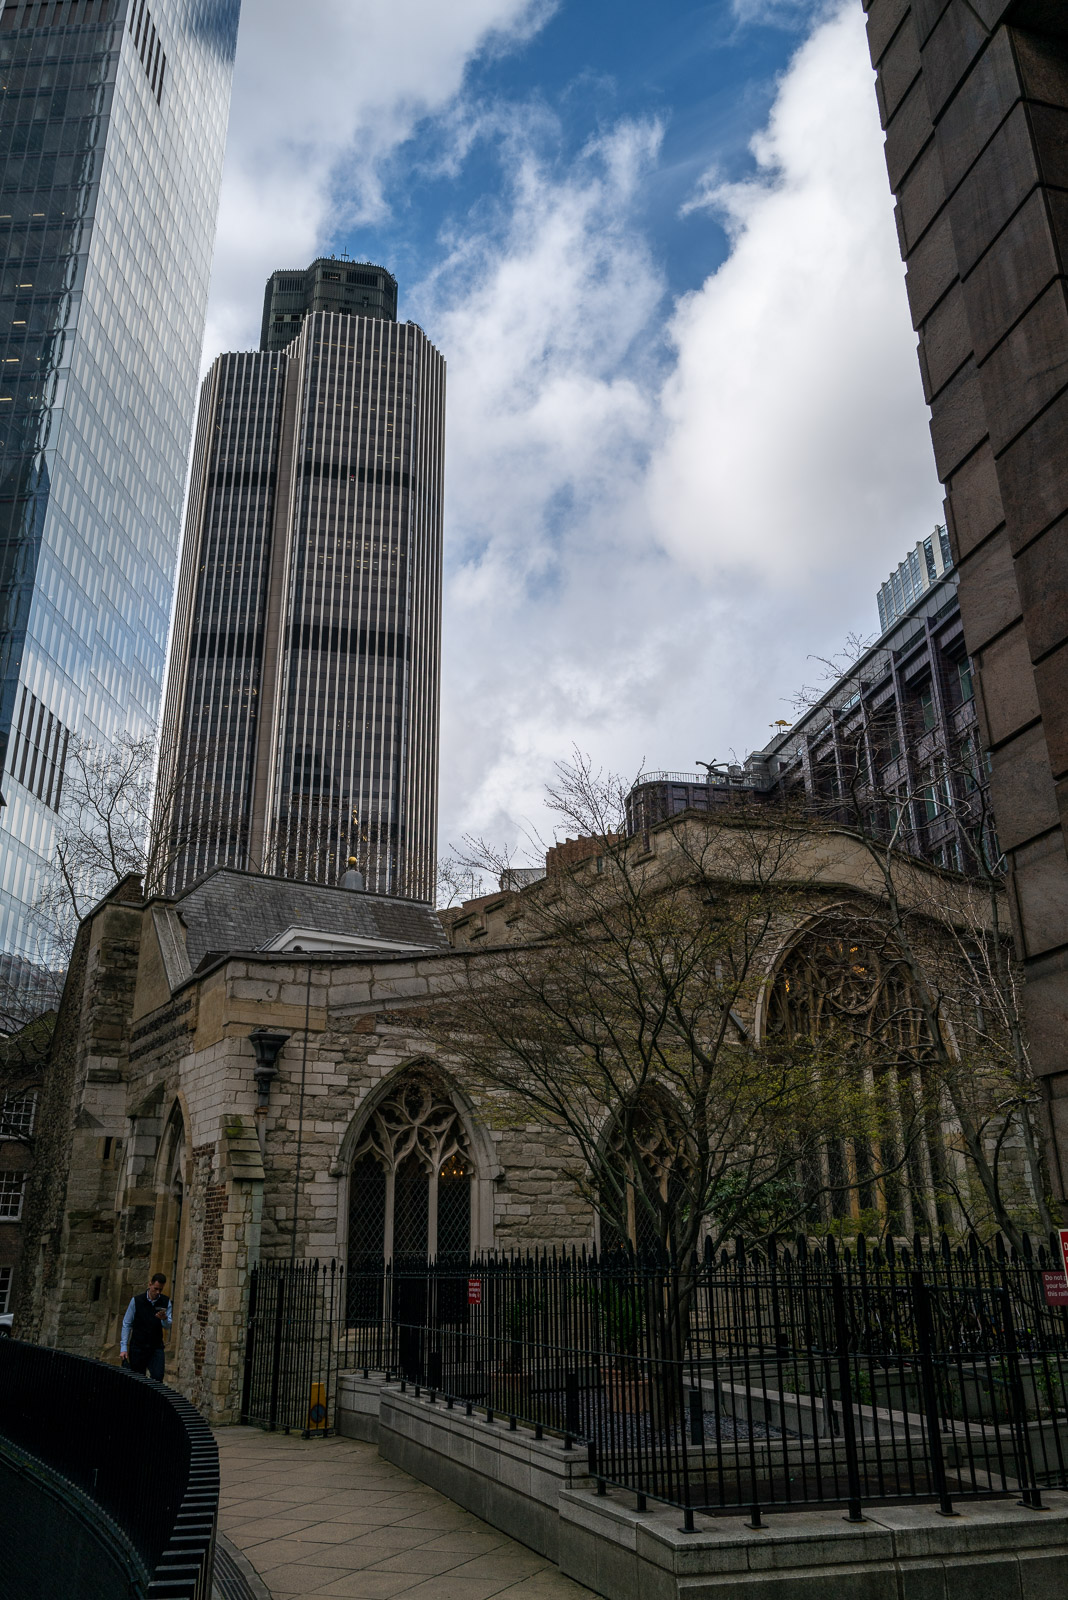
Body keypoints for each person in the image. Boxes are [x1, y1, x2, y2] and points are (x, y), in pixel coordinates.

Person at [120, 1272, 172, 1381]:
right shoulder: (136, 1301)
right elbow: (127, 1323)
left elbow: (168, 1325)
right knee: (138, 1380)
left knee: (158, 1377)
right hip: (138, 1346)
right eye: (155, 1289)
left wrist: (164, 1319)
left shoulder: (165, 1301)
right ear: (150, 1284)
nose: (157, 1292)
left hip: (156, 1346)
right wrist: (123, 1347)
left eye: (160, 1290)